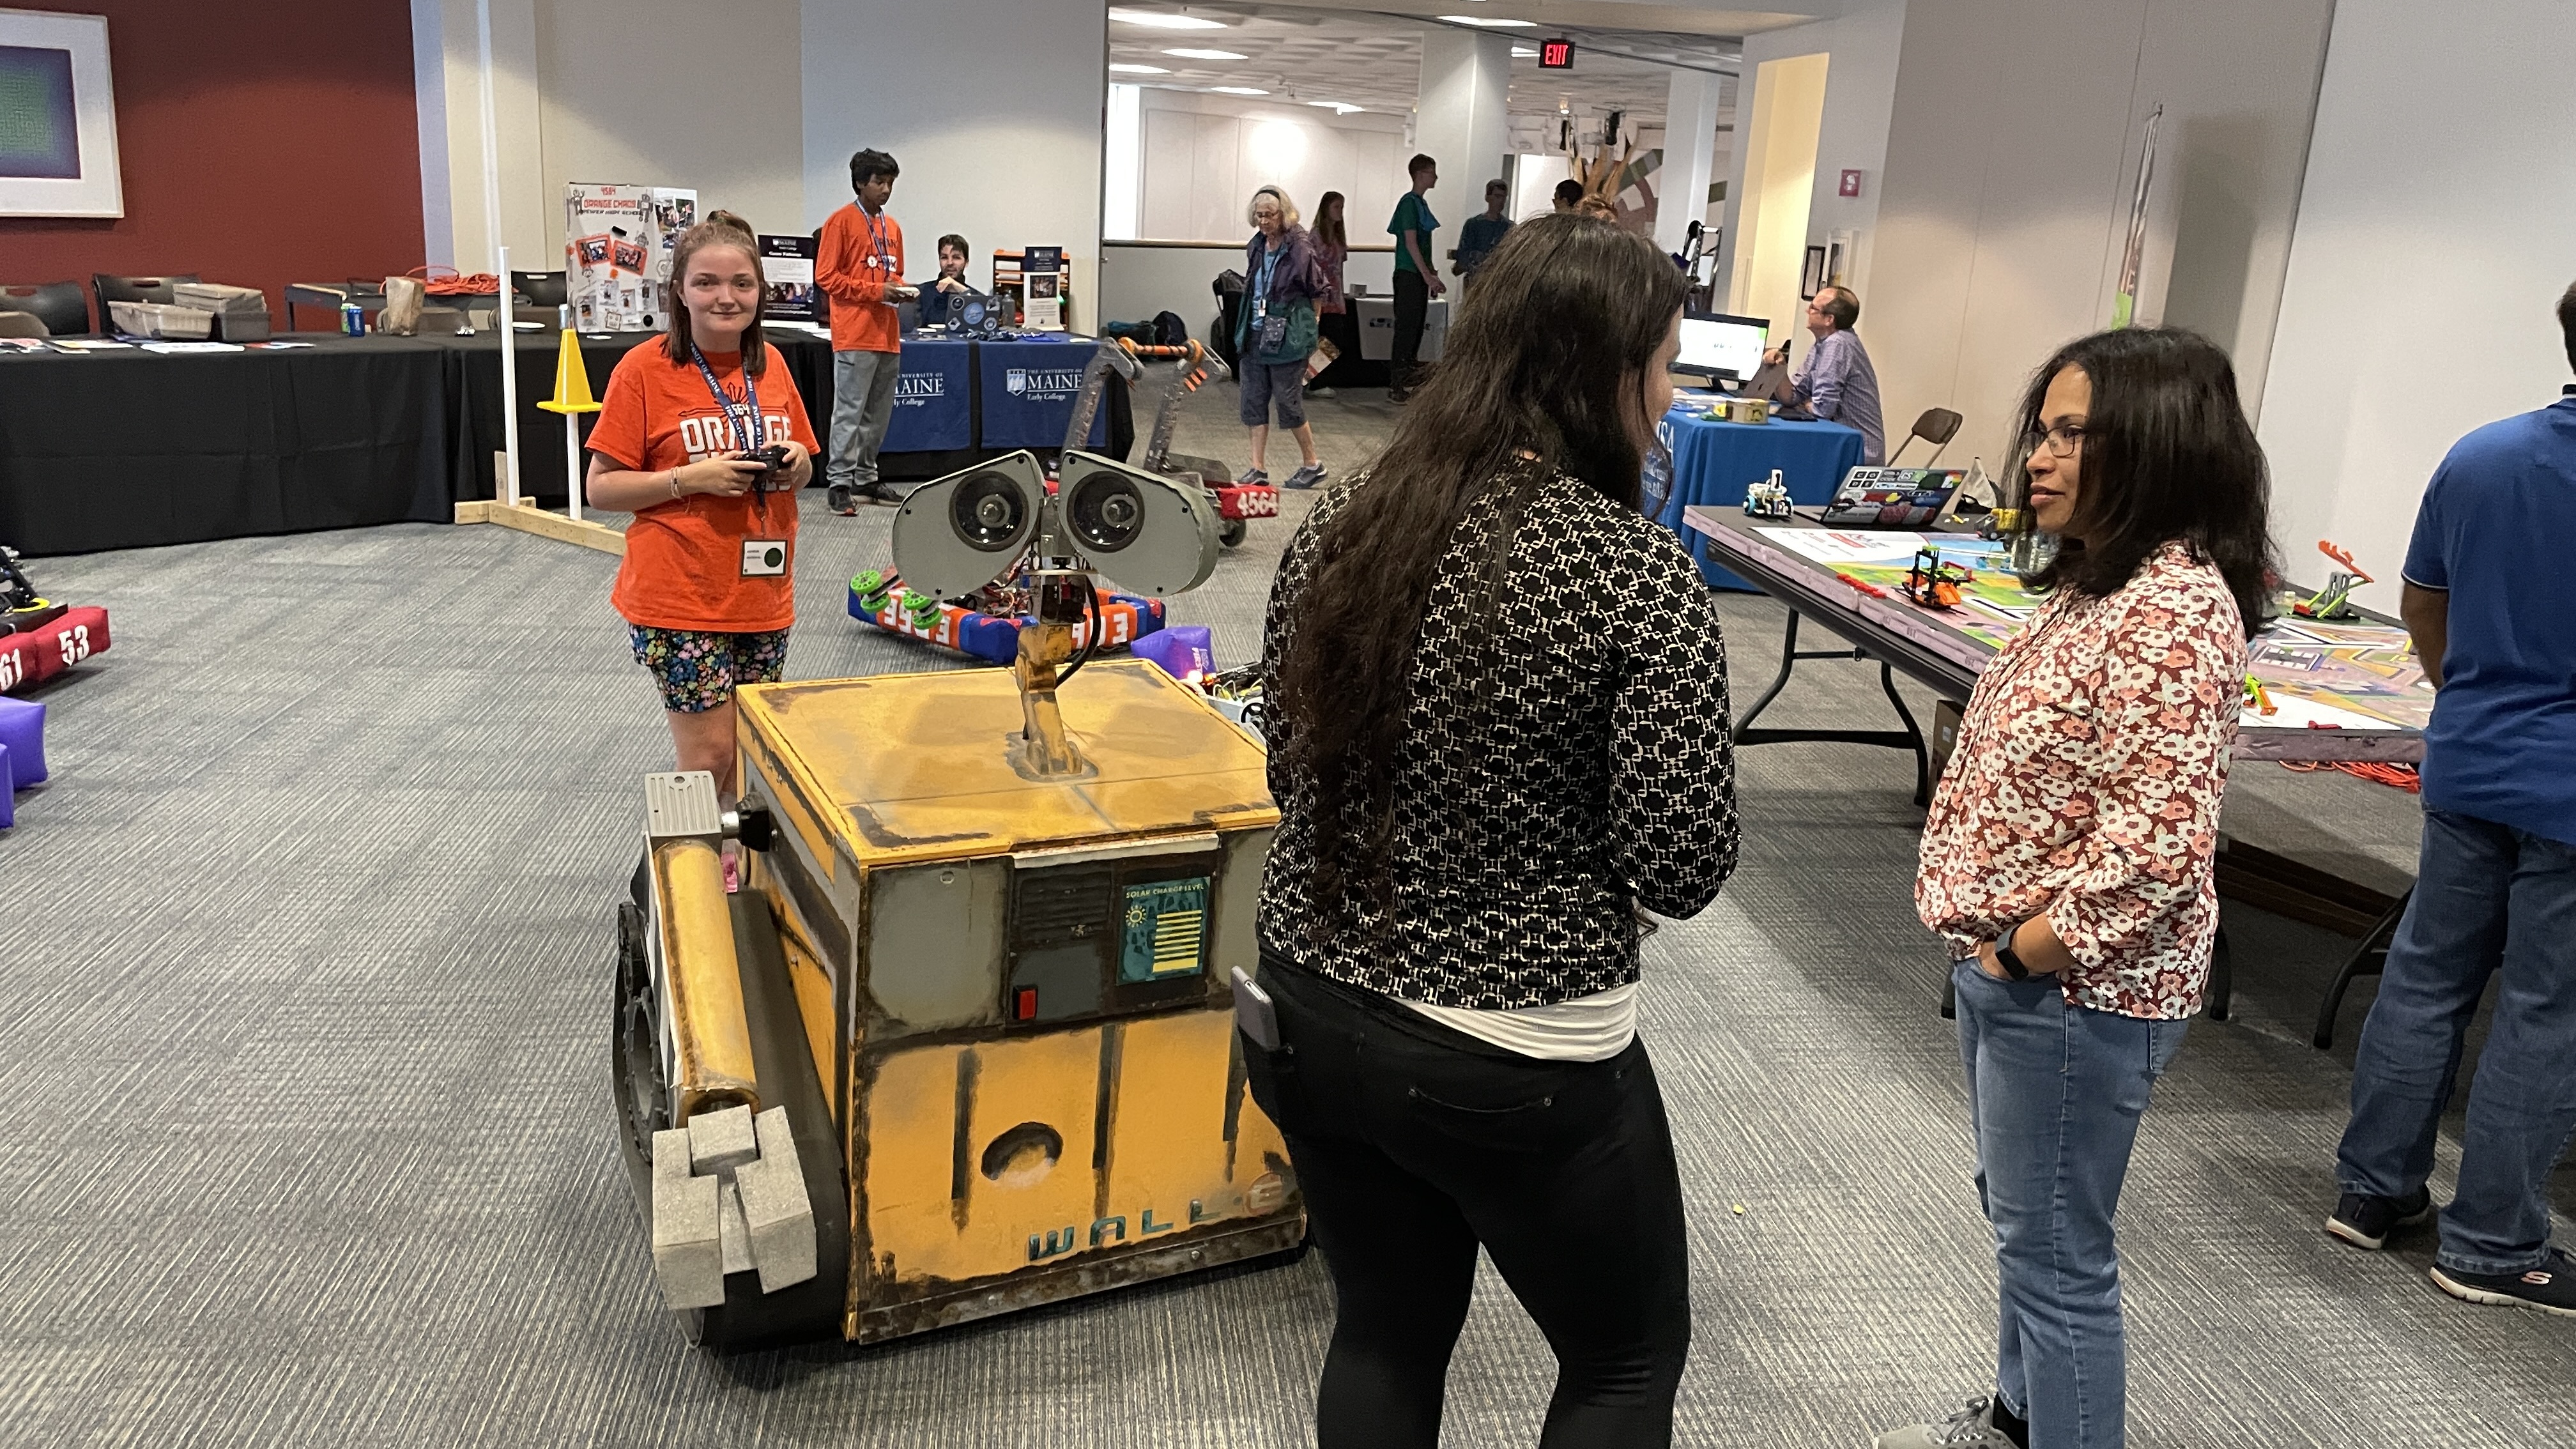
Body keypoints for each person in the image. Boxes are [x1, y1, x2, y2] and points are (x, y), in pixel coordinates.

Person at [1239, 211, 1740, 1448]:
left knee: (1383, 1330)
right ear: (1600, 372)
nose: (1668, 401)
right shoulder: (1632, 571)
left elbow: (1288, 767)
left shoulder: (1344, 519)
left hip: (1309, 1000)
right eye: (1663, 367)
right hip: (1514, 1045)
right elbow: (1679, 864)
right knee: (1623, 1360)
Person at [1890, 327, 2273, 1449]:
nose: (2041, 457)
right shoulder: (2100, 580)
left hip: (2073, 989)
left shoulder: (2172, 610)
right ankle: (2018, 1420)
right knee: (2027, 1231)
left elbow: (2154, 854)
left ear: (2157, 446)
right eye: (2042, 431)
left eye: (2074, 435)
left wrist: (2019, 954)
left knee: (2057, 1259)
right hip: (2020, 975)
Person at [2326, 280, 2576, 1318]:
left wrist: (2466, 695)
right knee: (2545, 1009)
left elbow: (2422, 602)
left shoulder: (2480, 454)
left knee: (2426, 976)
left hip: (2471, 759)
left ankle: (2373, 1189)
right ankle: (2493, 1244)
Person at [583, 212, 819, 891]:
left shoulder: (771, 364)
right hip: (680, 594)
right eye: (707, 283)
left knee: (749, 751)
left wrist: (796, 462)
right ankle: (693, 887)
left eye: (742, 283)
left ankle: (733, 864)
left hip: (762, 591)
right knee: (710, 755)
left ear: (760, 291)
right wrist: (690, 479)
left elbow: (805, 466)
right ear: (680, 292)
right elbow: (601, 488)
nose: (726, 298)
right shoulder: (645, 370)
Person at [816, 148, 917, 512]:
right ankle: (840, 483)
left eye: (890, 183)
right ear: (860, 183)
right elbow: (826, 277)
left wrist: (901, 290)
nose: (886, 189)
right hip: (855, 334)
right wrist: (877, 291)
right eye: (879, 182)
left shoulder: (893, 227)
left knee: (878, 415)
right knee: (849, 412)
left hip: (887, 334)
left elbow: (893, 274)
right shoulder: (840, 222)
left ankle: (866, 478)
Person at [1235, 186, 1327, 491]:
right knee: (1253, 399)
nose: (1263, 221)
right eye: (1259, 215)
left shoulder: (1300, 247)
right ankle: (1257, 468)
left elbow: (1317, 290)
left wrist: (1312, 326)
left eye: (1269, 215)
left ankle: (1312, 464)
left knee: (1288, 401)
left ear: (1283, 214)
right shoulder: (1257, 245)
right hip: (1256, 331)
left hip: (1288, 333)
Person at [1760, 284, 1886, 462]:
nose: (1807, 310)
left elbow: (1823, 409)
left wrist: (1807, 405)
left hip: (1859, 453)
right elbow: (1793, 396)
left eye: (1813, 307)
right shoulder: (1823, 343)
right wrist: (1780, 366)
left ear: (1829, 319)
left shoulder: (1838, 344)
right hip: (1839, 443)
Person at [1386, 153, 1443, 402]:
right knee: (1407, 329)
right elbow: (1411, 243)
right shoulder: (1409, 203)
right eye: (1432, 172)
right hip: (1408, 274)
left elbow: (1422, 245)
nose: (1435, 177)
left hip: (1417, 275)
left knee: (1416, 328)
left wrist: (1431, 274)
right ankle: (1397, 382)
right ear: (1420, 174)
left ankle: (1407, 377)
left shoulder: (1420, 203)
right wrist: (1427, 275)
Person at [1308, 190, 1351, 398]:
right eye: (1336, 207)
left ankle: (1313, 378)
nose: (1340, 212)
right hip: (1322, 296)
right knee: (1325, 338)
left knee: (1334, 340)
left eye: (1341, 207)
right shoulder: (1316, 236)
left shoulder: (1338, 236)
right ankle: (1316, 381)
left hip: (1336, 296)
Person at [916, 232, 982, 328]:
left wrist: (962, 291)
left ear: (966, 262)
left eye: (956, 258)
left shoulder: (978, 299)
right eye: (944, 258)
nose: (950, 263)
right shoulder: (921, 293)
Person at [1454, 179, 1513, 286]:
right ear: (1488, 198)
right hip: (1475, 280)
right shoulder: (1474, 225)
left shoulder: (1510, 227)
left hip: (1499, 282)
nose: (1501, 201)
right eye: (1497, 196)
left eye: (1504, 197)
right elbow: (1463, 254)